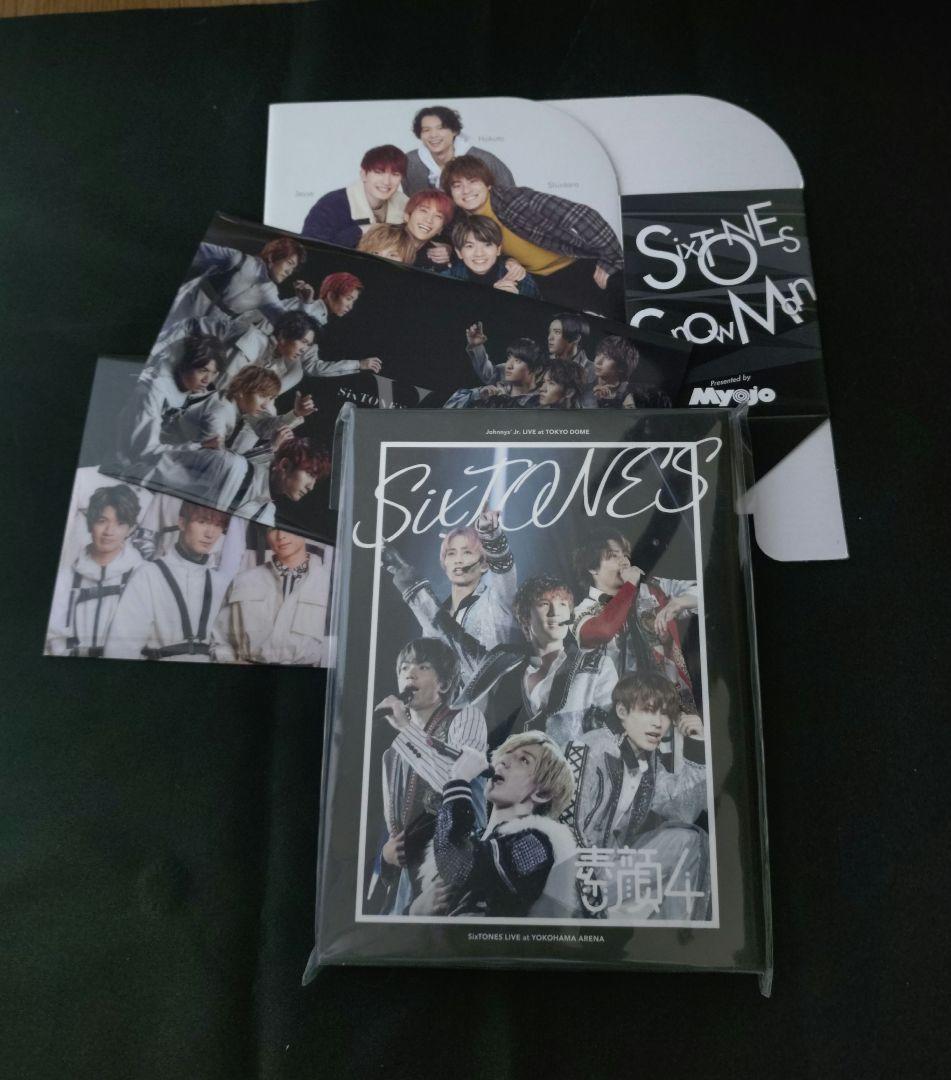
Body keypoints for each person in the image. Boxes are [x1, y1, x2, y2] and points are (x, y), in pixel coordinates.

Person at [565, 673, 709, 921]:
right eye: (649, 711)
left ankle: (674, 935)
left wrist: (697, 745)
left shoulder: (646, 758)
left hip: (613, 867)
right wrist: (588, 891)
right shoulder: (588, 749)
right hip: (575, 878)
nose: (659, 723)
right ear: (622, 711)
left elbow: (682, 810)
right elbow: (568, 830)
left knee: (689, 840)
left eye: (665, 714)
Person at [368, 638, 488, 916]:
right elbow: (394, 824)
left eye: (423, 667)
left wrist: (404, 728)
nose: (410, 674)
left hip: (456, 866)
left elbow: (455, 781)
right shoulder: (392, 755)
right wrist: (386, 856)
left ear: (443, 684)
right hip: (408, 882)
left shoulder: (465, 718)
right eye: (404, 668)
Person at [412, 731, 577, 918]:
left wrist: (459, 780)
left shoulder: (537, 845)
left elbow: (457, 866)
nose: (504, 761)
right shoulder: (476, 841)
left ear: (542, 793)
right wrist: (415, 909)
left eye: (524, 760)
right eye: (507, 753)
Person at [441, 154, 624, 316]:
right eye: (457, 186)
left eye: (473, 181)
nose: (466, 191)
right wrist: (507, 260)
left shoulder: (515, 200)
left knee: (623, 308)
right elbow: (472, 253)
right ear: (451, 194)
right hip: (540, 282)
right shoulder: (458, 221)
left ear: (488, 184)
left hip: (576, 265)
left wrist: (610, 257)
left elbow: (582, 216)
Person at [450, 575, 617, 750]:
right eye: (544, 604)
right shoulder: (503, 663)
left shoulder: (596, 666)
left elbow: (608, 735)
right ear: (525, 617)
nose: (555, 612)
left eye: (562, 604)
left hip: (573, 765)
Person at [382, 510, 520, 682]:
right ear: (444, 563)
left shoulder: (498, 601)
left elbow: (504, 570)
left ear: (485, 564)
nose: (458, 560)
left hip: (496, 694)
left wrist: (491, 535)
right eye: (451, 553)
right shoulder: (435, 616)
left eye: (467, 552)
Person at [572, 529, 699, 711]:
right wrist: (630, 585)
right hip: (619, 713)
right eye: (613, 556)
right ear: (592, 567)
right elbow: (603, 630)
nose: (624, 562)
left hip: (672, 706)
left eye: (625, 555)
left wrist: (679, 602)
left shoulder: (654, 589)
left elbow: (707, 589)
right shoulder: (582, 611)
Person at [104, 501, 242, 662]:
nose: (210, 534)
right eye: (202, 522)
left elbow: (226, 644)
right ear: (182, 523)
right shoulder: (149, 574)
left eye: (218, 525)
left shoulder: (221, 582)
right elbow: (122, 645)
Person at [47, 484, 143, 658]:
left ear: (131, 529)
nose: (109, 531)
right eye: (102, 521)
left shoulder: (142, 576)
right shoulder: (66, 576)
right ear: (90, 523)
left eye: (120, 523)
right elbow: (54, 638)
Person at [158, 237, 318, 340]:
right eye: (289, 263)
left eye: (293, 268)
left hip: (203, 333)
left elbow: (290, 328)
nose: (290, 271)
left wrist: (306, 303)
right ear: (272, 257)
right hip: (179, 313)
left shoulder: (269, 292)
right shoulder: (237, 260)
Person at [115, 333, 227, 481]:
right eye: (203, 371)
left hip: (145, 461)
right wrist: (199, 446)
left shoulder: (189, 388)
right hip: (122, 465)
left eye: (214, 373)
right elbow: (144, 450)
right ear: (184, 365)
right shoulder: (152, 390)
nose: (207, 380)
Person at [212, 527, 330, 666]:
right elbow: (220, 641)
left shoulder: (329, 583)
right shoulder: (243, 581)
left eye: (287, 527)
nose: (281, 536)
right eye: (273, 529)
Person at [301, 145, 408, 248]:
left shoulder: (406, 206)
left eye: (395, 174)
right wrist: (359, 231)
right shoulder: (331, 205)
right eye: (379, 172)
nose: (386, 182)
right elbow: (310, 249)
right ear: (363, 174)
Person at [403, 105, 514, 196]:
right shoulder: (409, 162)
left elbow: (511, 196)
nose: (433, 135)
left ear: (455, 131)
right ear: (420, 134)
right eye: (426, 130)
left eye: (441, 128)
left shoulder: (483, 159)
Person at [443, 323, 544, 409]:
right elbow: (449, 407)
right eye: (509, 358)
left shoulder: (543, 398)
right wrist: (478, 394)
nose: (508, 366)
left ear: (536, 368)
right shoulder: (495, 389)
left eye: (517, 361)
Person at [440, 217, 540, 297]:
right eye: (469, 246)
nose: (479, 253)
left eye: (487, 244)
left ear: (498, 250)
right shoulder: (448, 276)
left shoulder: (519, 277)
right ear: (459, 253)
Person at [401, 188, 455, 270]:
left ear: (441, 229)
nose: (429, 220)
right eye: (424, 211)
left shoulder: (437, 260)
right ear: (407, 215)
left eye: (438, 216)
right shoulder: (382, 239)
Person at [592, 335, 639, 407]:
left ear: (622, 367)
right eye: (598, 354)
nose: (598, 361)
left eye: (607, 358)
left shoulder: (627, 395)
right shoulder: (584, 376)